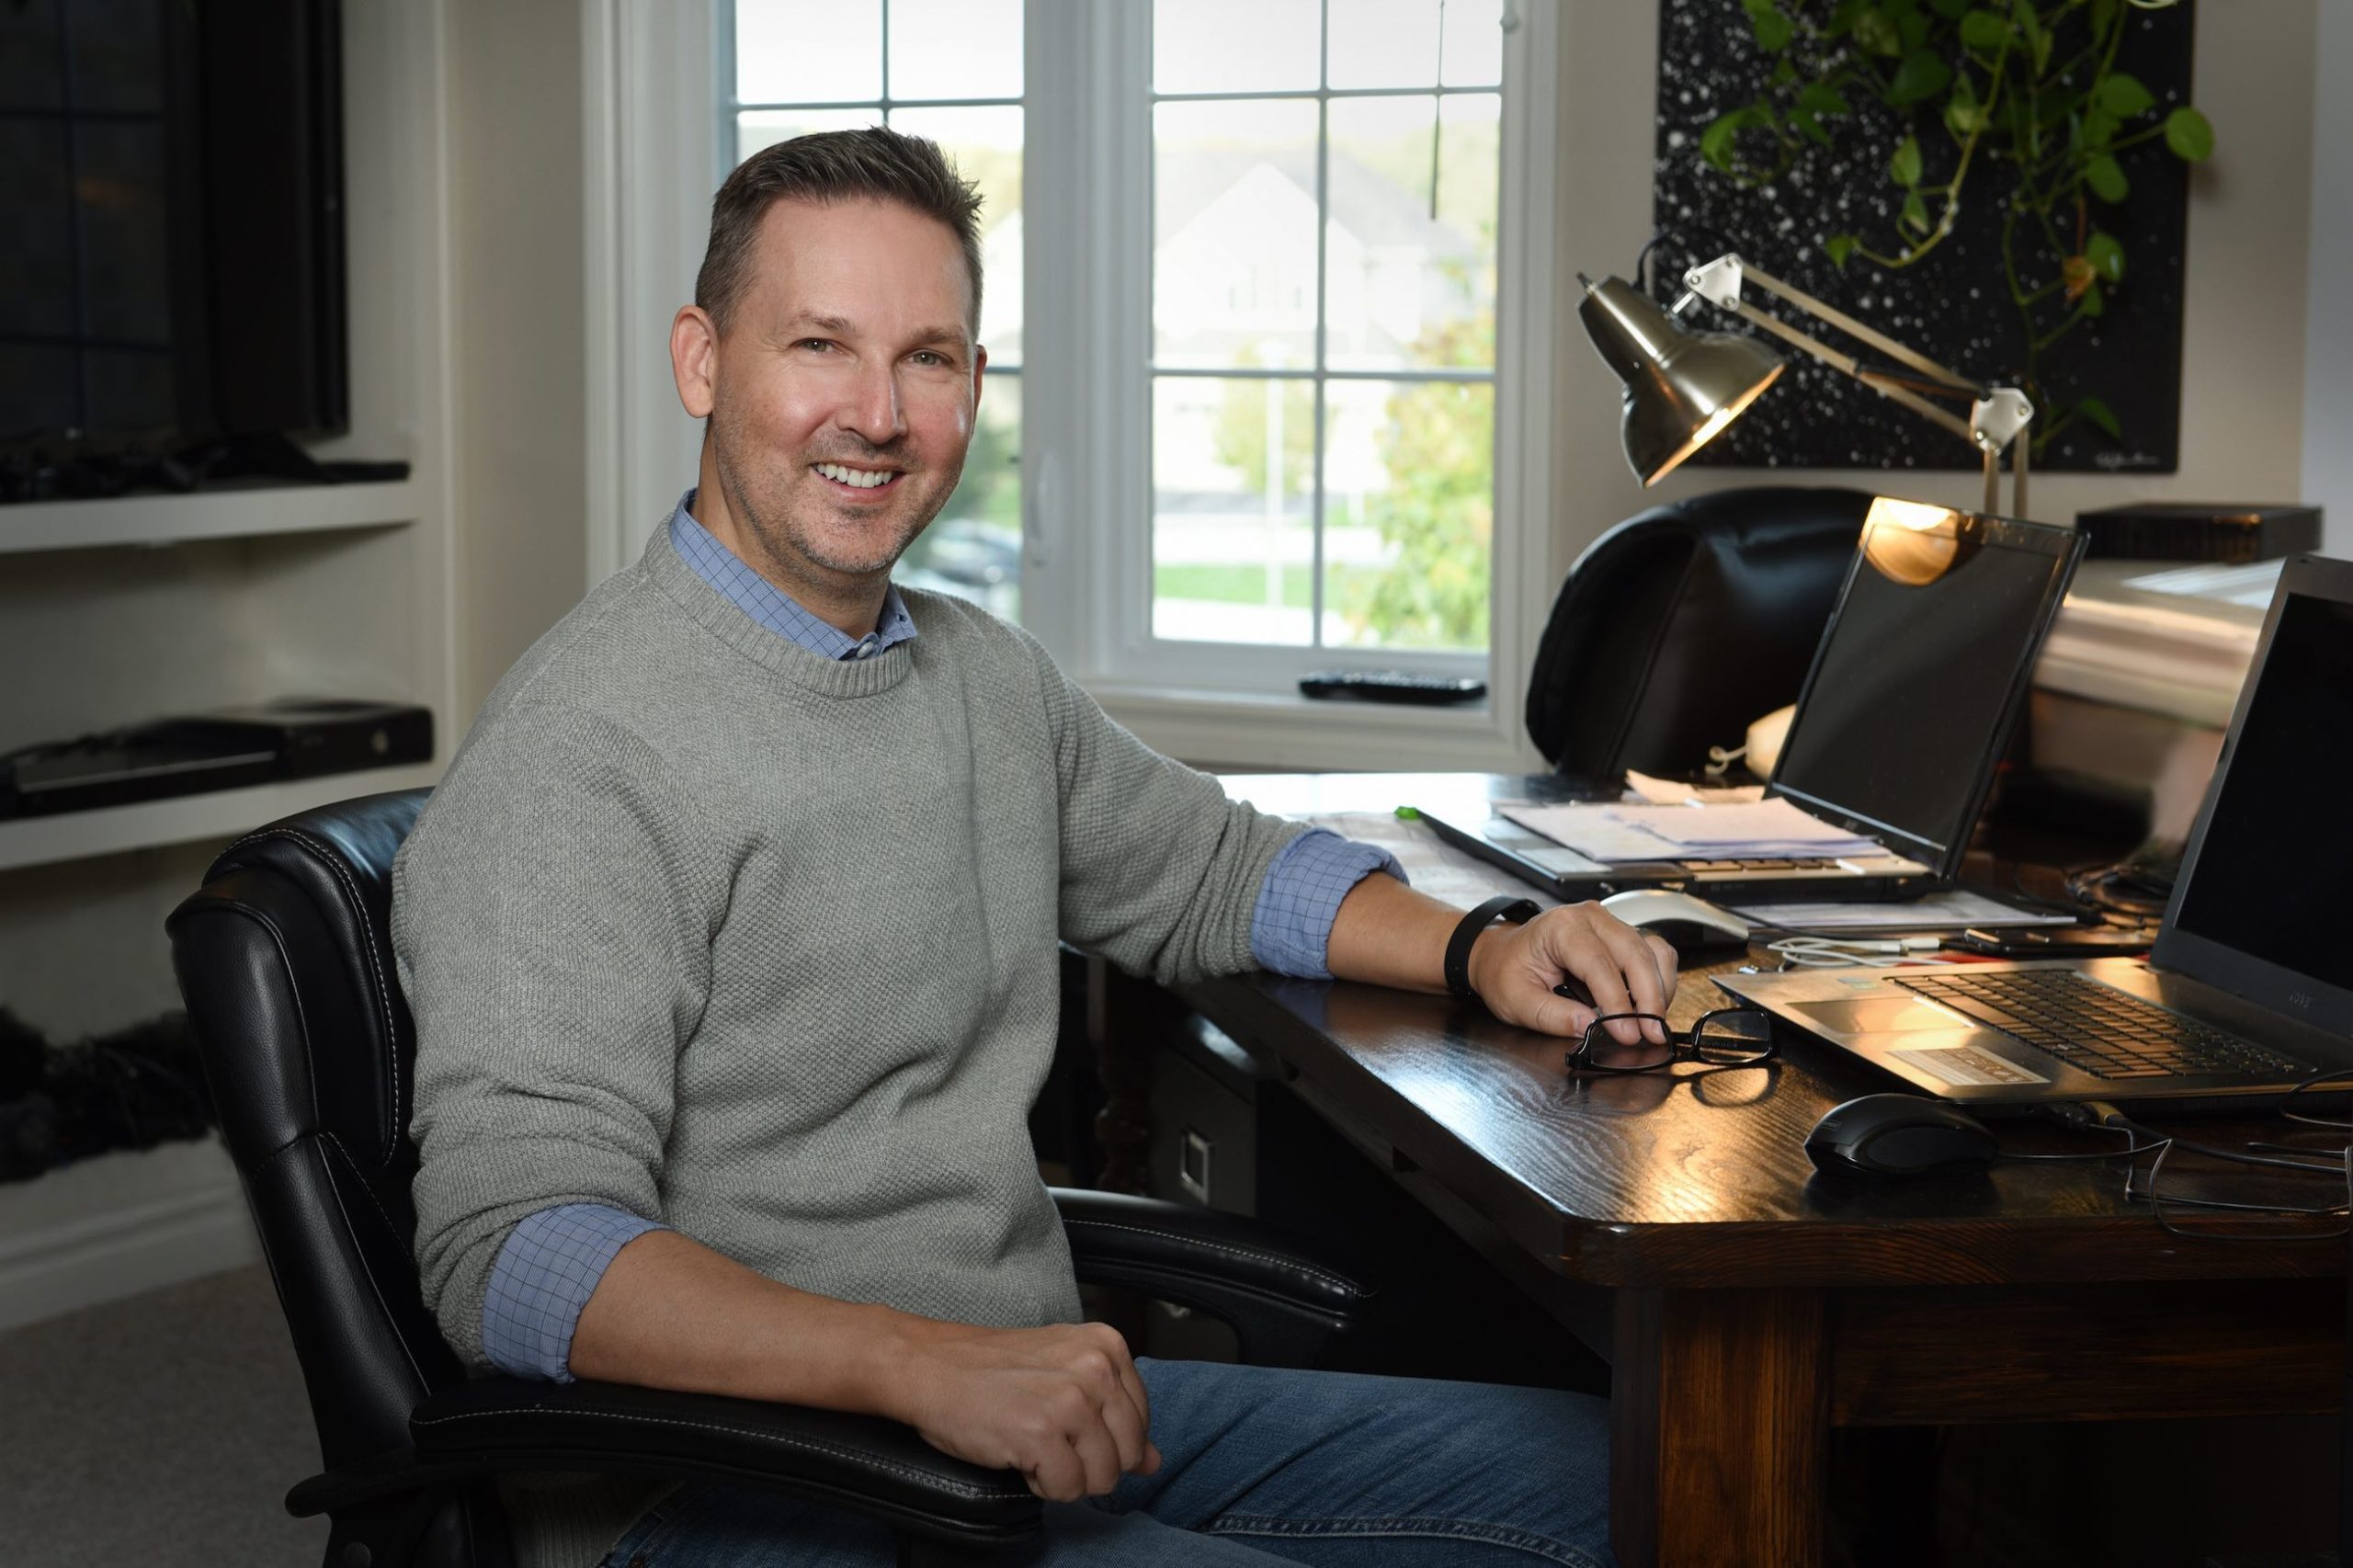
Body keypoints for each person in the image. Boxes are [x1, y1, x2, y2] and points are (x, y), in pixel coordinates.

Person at [394, 127, 1676, 1568]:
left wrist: (1483, 945)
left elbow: (1213, 865)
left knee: (1642, 1479)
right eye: (820, 345)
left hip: (1022, 1414)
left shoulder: (979, 680)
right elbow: (511, 1250)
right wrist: (916, 1364)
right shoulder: (584, 748)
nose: (875, 414)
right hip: (725, 1485)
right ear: (703, 361)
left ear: (974, 388)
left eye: (927, 358)